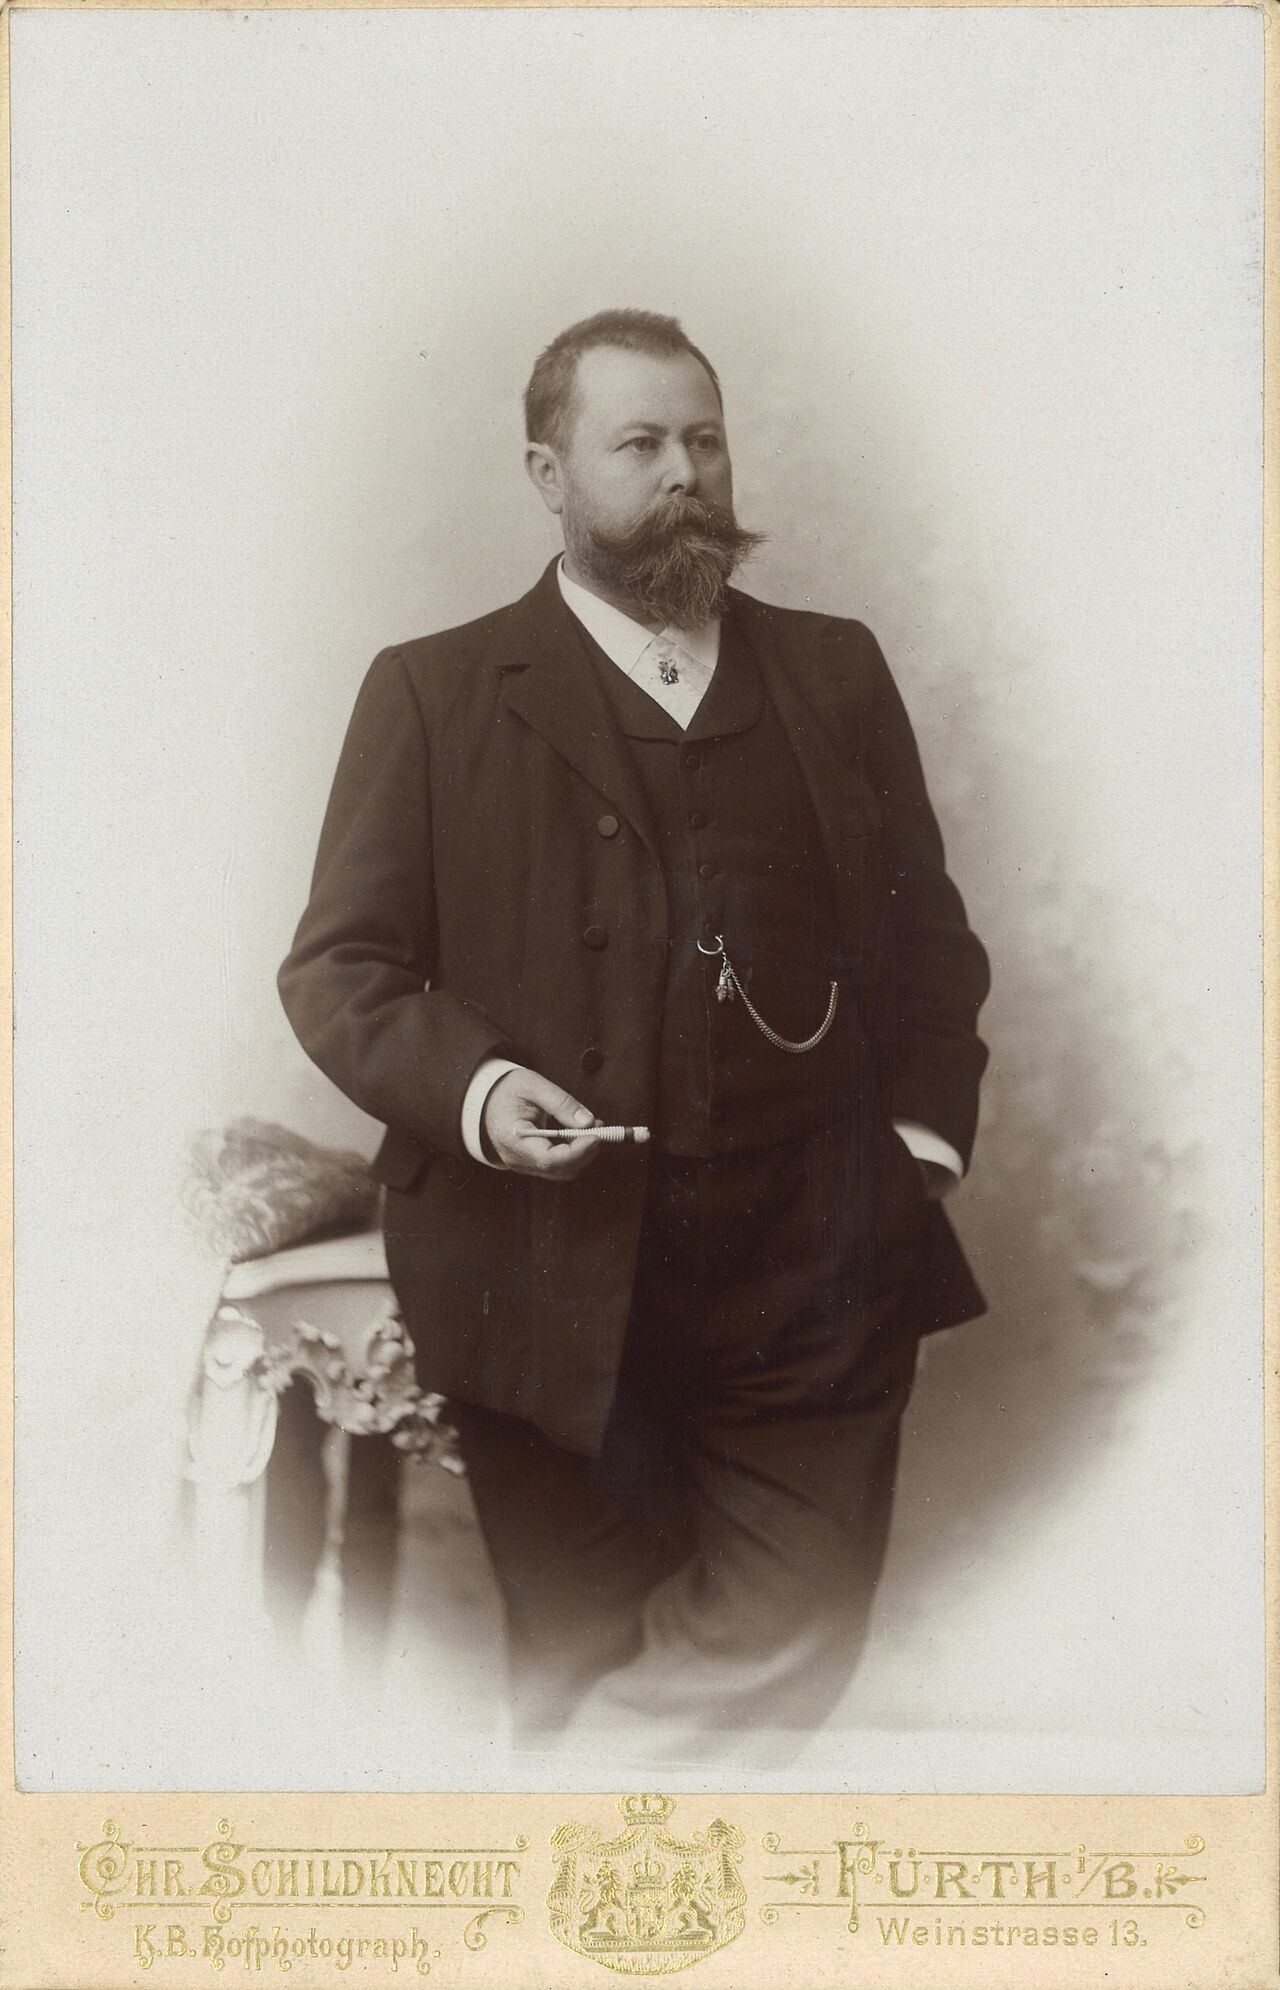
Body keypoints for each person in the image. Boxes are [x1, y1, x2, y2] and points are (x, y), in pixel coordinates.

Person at [279, 309, 990, 1760]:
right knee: (578, 1662)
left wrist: (915, 1149)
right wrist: (479, 1090)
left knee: (791, 1629)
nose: (686, 475)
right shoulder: (433, 690)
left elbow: (927, 939)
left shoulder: (833, 673)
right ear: (549, 473)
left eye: (706, 441)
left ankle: (548, 1827)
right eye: (642, 443)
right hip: (538, 1274)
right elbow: (341, 967)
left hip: (811, 1266)